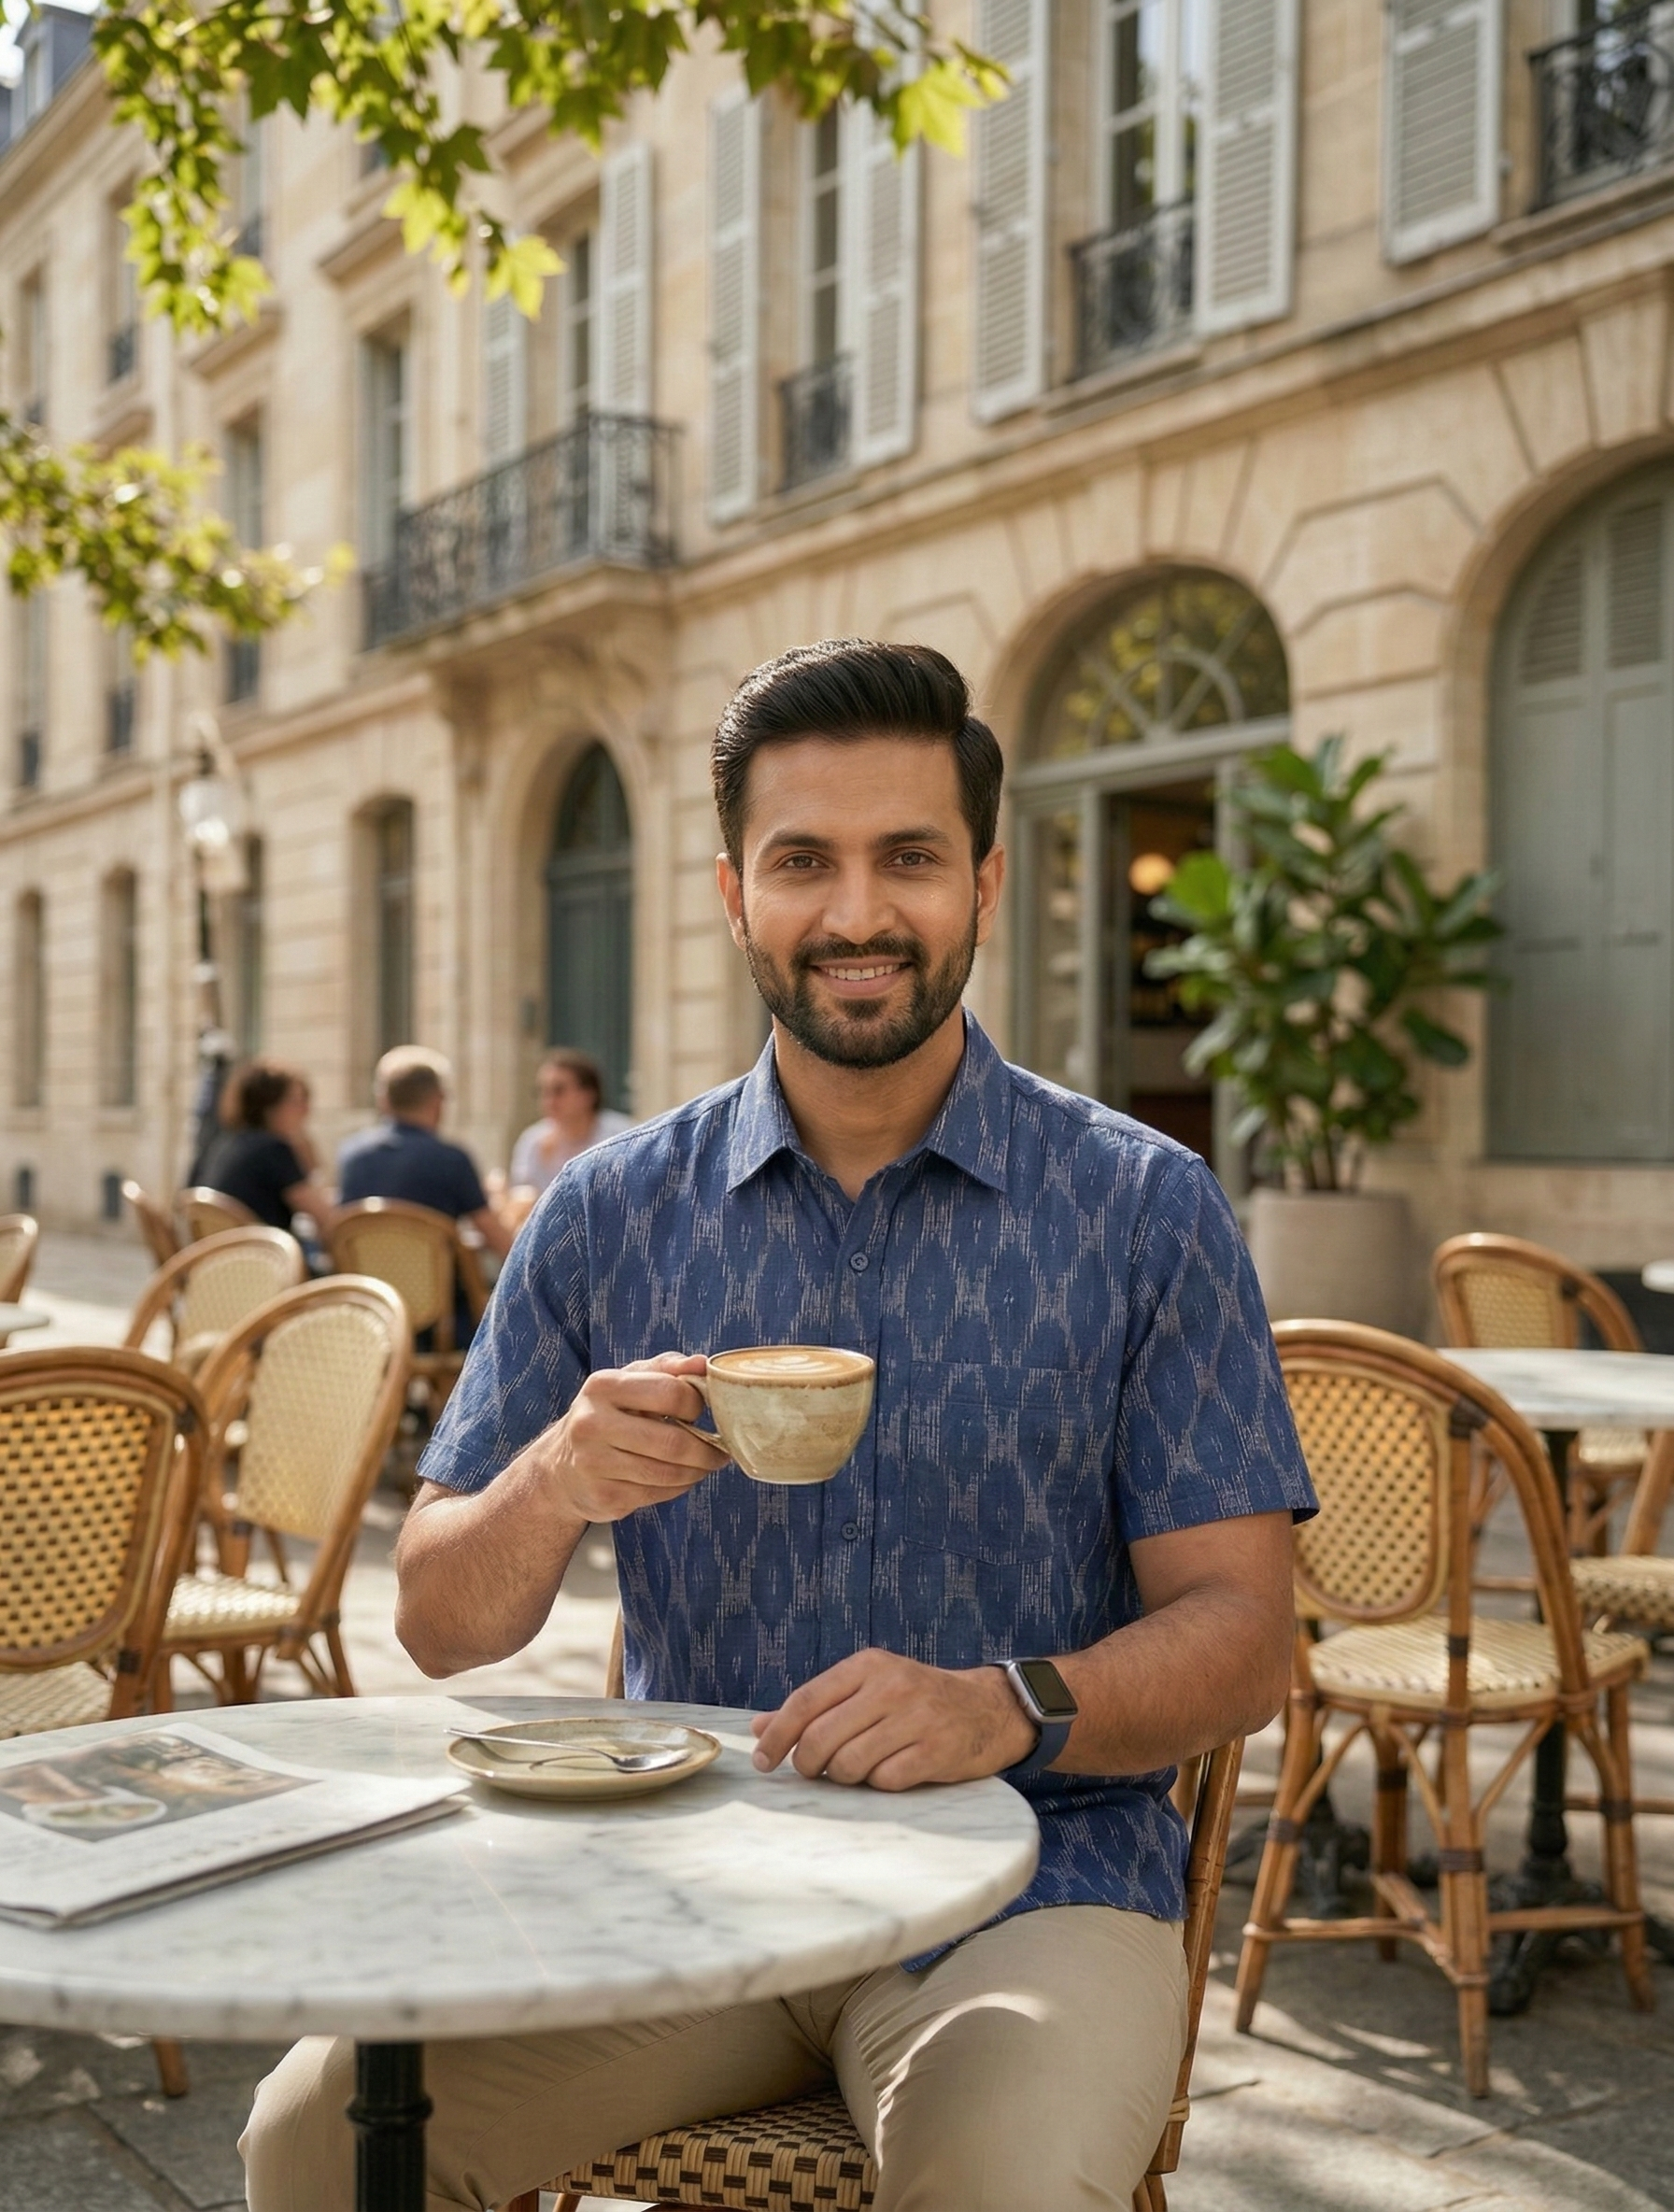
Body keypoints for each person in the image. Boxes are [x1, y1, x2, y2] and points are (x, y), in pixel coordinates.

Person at [243, 640, 1315, 2212]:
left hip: (1033, 1883)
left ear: (985, 882)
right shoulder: (612, 1207)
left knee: (1001, 2178)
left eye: (910, 858)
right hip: (677, 1885)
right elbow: (440, 1621)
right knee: (315, 2137)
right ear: (733, 889)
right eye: (804, 859)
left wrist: (1008, 1703)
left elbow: (1244, 1636)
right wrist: (555, 1476)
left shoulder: (1140, 1208)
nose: (859, 912)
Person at [336, 1046, 514, 1268]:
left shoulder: (353, 1155)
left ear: (384, 1100)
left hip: (372, 1296)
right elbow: (500, 1243)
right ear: (438, 1100)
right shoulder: (452, 1160)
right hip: (441, 1299)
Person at [193, 1058, 332, 1235]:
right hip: (263, 1257)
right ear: (269, 1108)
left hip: (224, 1254)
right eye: (296, 1102)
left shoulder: (227, 1143)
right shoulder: (272, 1149)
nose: (306, 1111)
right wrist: (311, 1161)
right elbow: (323, 1216)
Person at [507, 1047, 631, 1197]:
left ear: (588, 1094)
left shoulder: (623, 1137)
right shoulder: (532, 1141)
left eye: (558, 1091)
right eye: (543, 1092)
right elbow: (523, 1197)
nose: (549, 1101)